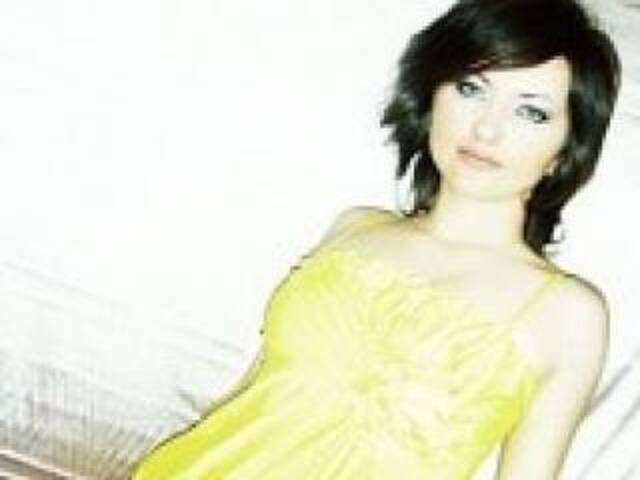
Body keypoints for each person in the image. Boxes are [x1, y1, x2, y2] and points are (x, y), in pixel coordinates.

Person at [132, 0, 620, 478]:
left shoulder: (568, 314)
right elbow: (248, 396)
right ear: (431, 94)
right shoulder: (354, 228)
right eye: (470, 88)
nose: (487, 128)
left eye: (531, 112)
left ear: (566, 150)